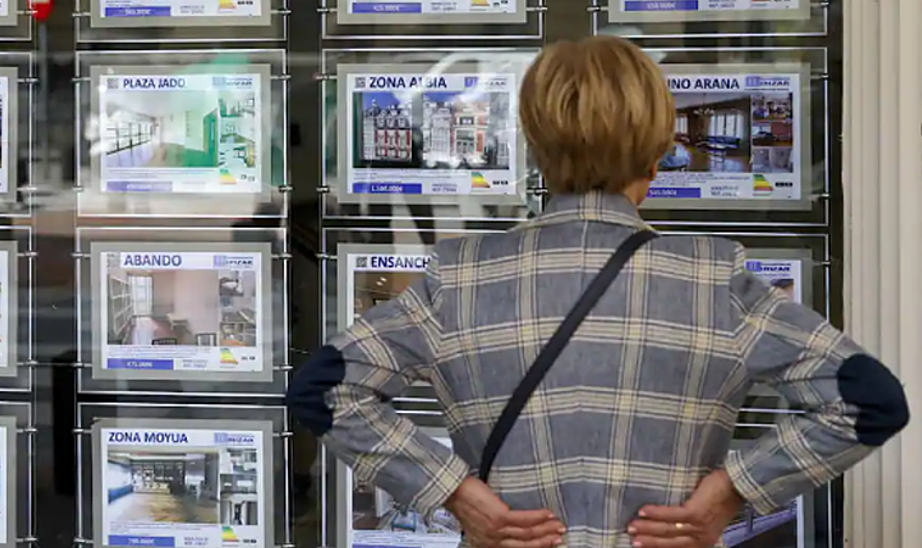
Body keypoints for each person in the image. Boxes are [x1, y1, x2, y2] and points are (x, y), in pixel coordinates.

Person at [286, 36, 909, 548]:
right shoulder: (716, 281)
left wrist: (453, 492)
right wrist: (733, 490)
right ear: (662, 148)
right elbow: (870, 401)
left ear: (533, 144)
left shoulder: (461, 275)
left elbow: (323, 389)